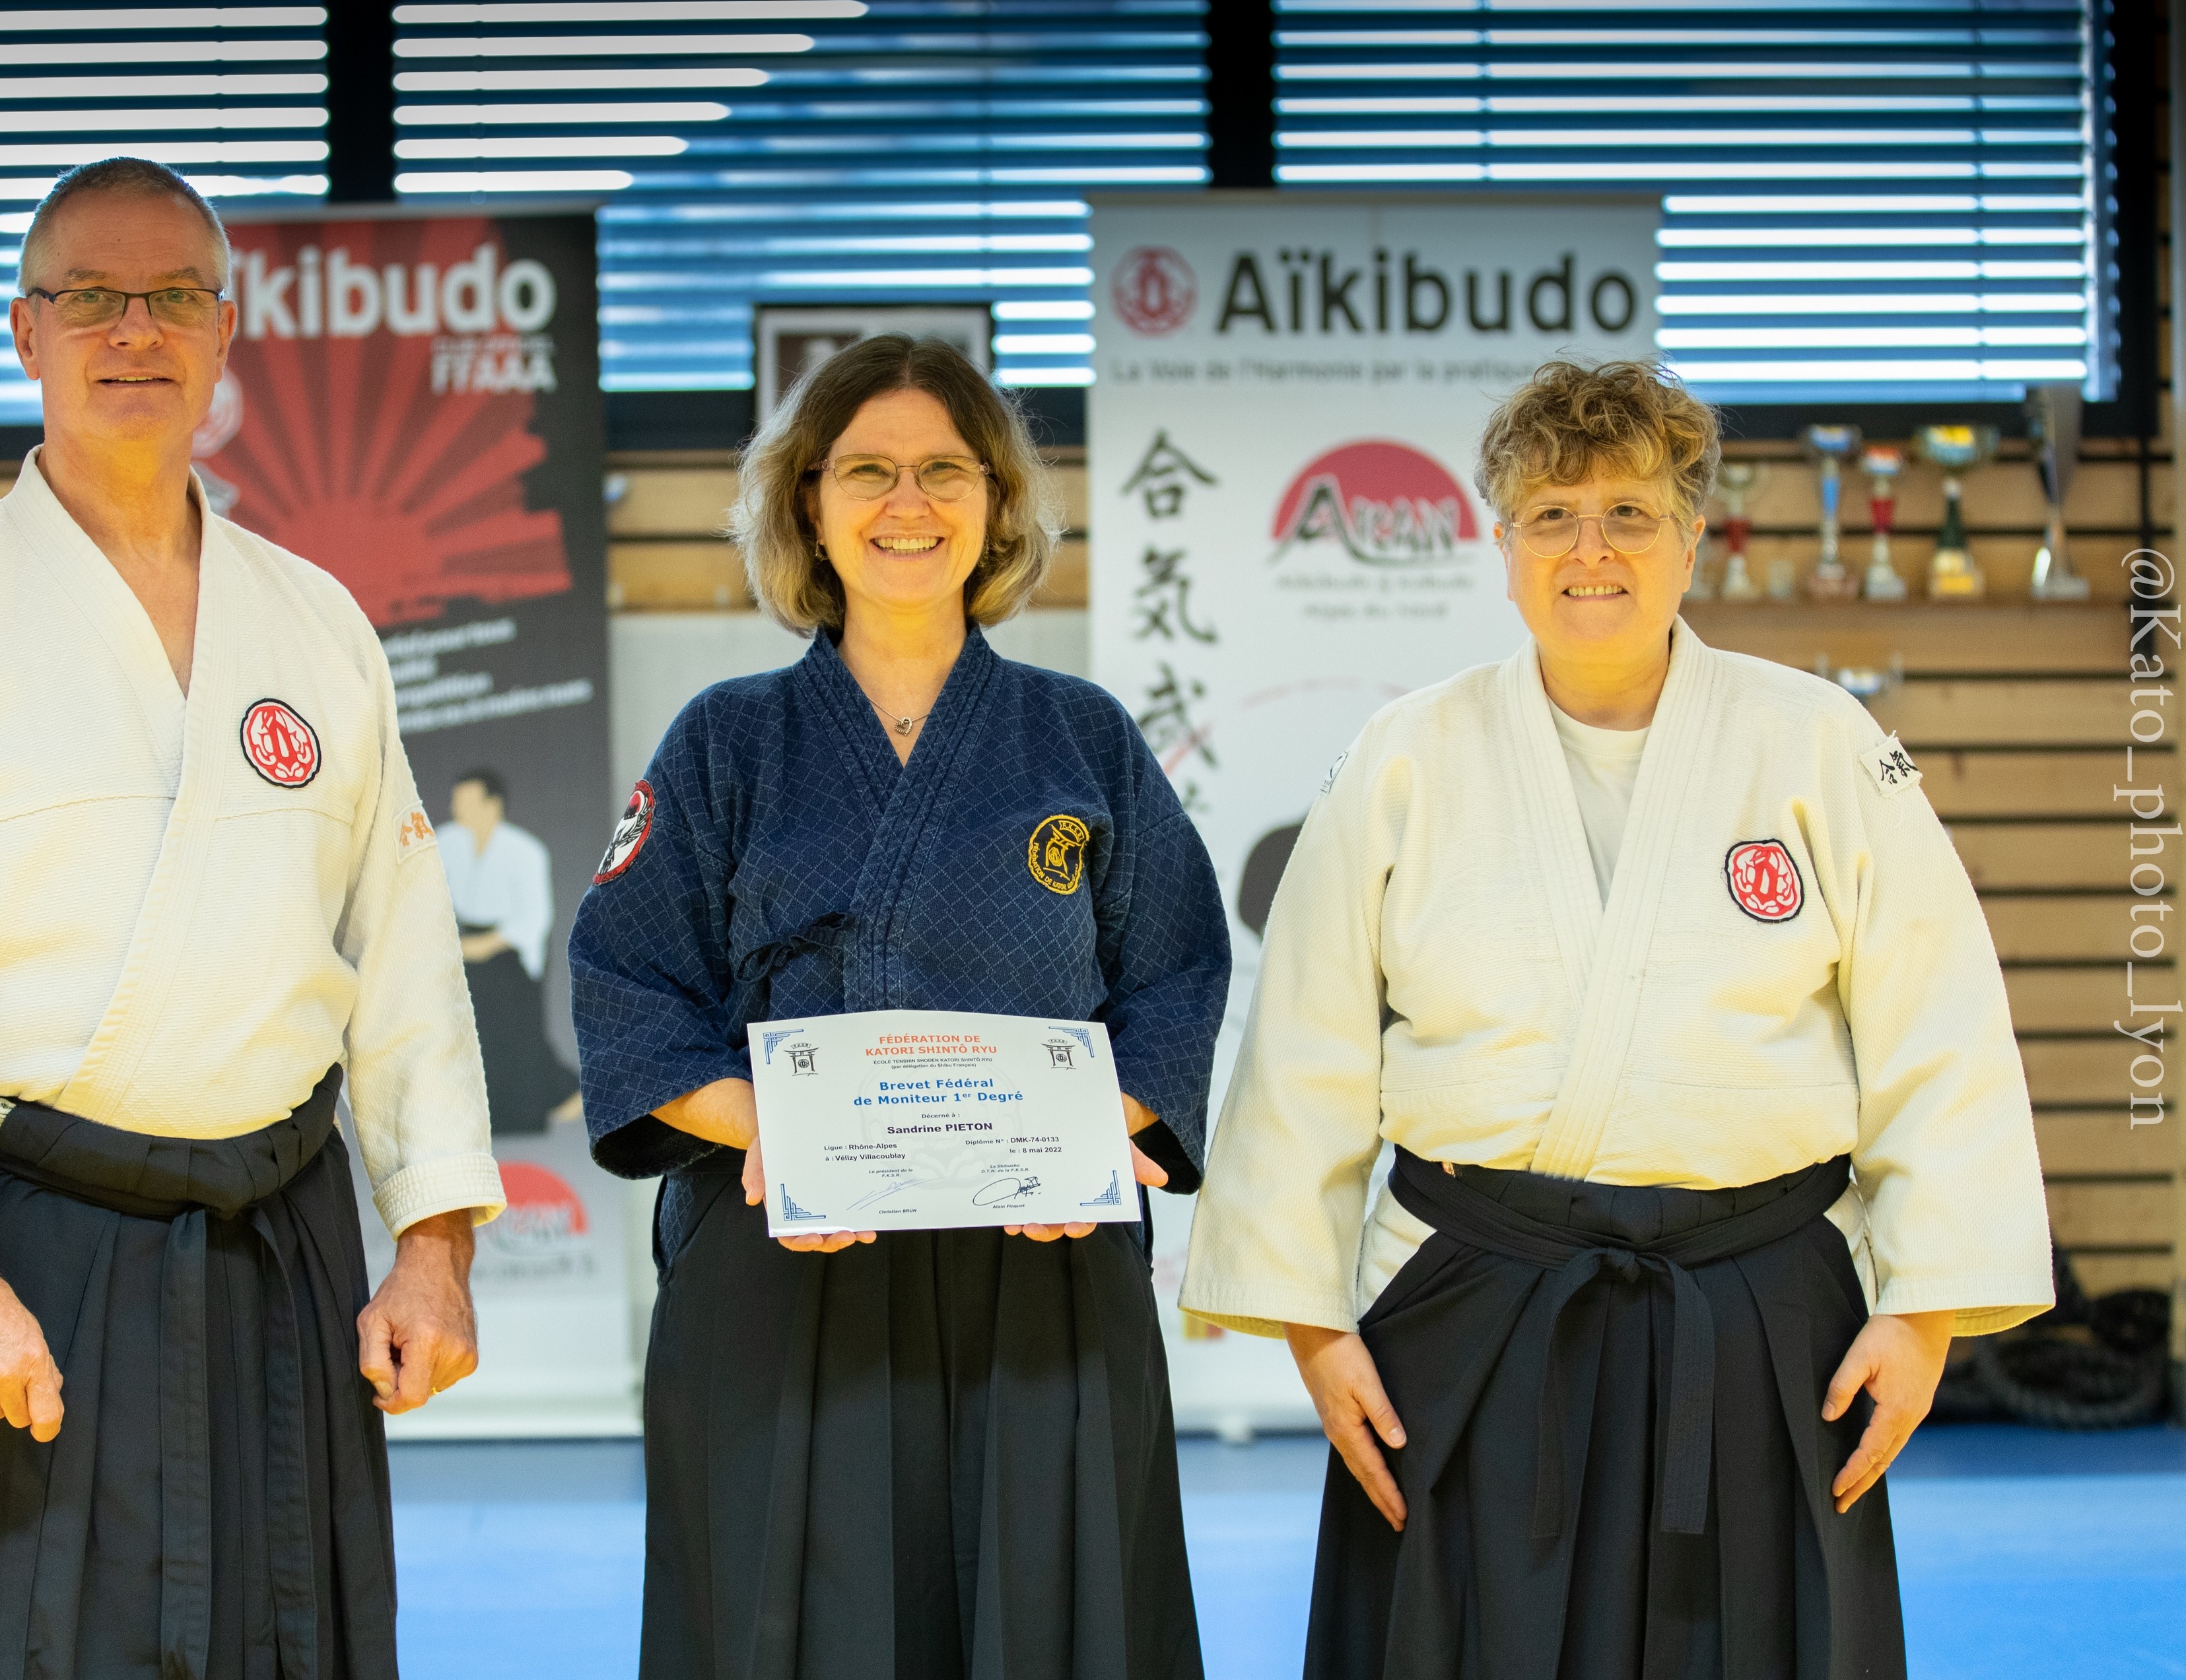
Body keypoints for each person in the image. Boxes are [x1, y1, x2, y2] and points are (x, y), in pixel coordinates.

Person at [1181, 360, 2054, 1679]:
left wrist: (1923, 1311)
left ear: (1690, 532)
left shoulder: (1817, 743)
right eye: (1550, 515)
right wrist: (1310, 1325)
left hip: (1759, 1305)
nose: (1590, 549)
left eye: (1628, 513)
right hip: (1473, 1294)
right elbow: (1304, 1046)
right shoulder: (1403, 757)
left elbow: (1936, 1026)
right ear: (1500, 542)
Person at [0, 156, 504, 1680]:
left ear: (227, 329)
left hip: (281, 1238)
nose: (132, 328)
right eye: (91, 295)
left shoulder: (314, 620)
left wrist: (432, 1242)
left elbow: (403, 950)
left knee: (295, 1641)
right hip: (38, 1249)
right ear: (25, 331)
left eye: (172, 296)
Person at [569, 334, 1231, 1679]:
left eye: (943, 469)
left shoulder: (1080, 736)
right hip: (782, 1247)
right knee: (780, 1618)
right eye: (865, 469)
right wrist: (759, 1122)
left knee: (1057, 1616)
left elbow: (1175, 970)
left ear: (995, 500)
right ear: (807, 500)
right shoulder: (725, 739)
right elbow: (627, 979)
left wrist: (1096, 1128)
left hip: (1041, 1263)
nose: (906, 502)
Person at [443, 767, 580, 1133]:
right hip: (460, 947)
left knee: (512, 1028)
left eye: (468, 801)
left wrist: (484, 946)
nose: (459, 808)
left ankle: (542, 1104)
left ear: (492, 805)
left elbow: (534, 918)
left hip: (509, 954)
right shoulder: (444, 843)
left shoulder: (525, 850)